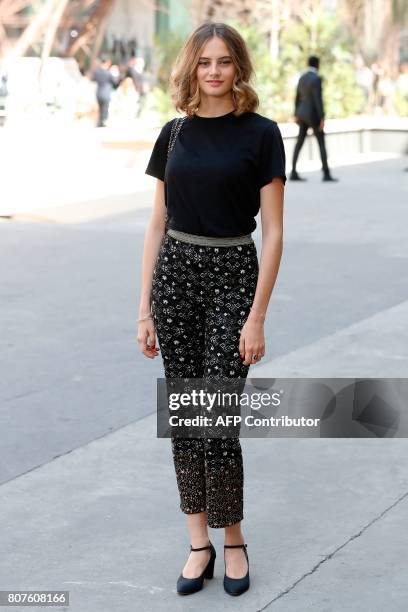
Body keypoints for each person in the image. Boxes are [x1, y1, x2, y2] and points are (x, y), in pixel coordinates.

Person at [137, 22, 286, 597]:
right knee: (186, 419)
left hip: (232, 274)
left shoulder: (262, 134)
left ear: (238, 67)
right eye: (205, 62)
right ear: (191, 69)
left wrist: (257, 315)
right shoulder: (172, 135)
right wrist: (143, 308)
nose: (215, 72)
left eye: (225, 61)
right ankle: (197, 543)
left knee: (216, 421)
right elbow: (156, 223)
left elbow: (272, 233)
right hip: (176, 275)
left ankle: (234, 541)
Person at [290, 55, 338, 182]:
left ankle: (293, 172)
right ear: (317, 64)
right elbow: (318, 100)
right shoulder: (316, 78)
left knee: (299, 143)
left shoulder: (302, 77)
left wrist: (295, 114)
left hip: (301, 114)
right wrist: (322, 118)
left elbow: (297, 97)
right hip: (313, 116)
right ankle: (326, 173)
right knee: (321, 143)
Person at [91, 56, 121, 127]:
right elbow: (115, 83)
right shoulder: (108, 73)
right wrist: (117, 75)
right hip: (106, 93)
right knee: (104, 110)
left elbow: (93, 79)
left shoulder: (96, 71)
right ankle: (102, 124)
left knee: (100, 109)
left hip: (98, 93)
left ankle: (99, 123)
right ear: (107, 63)